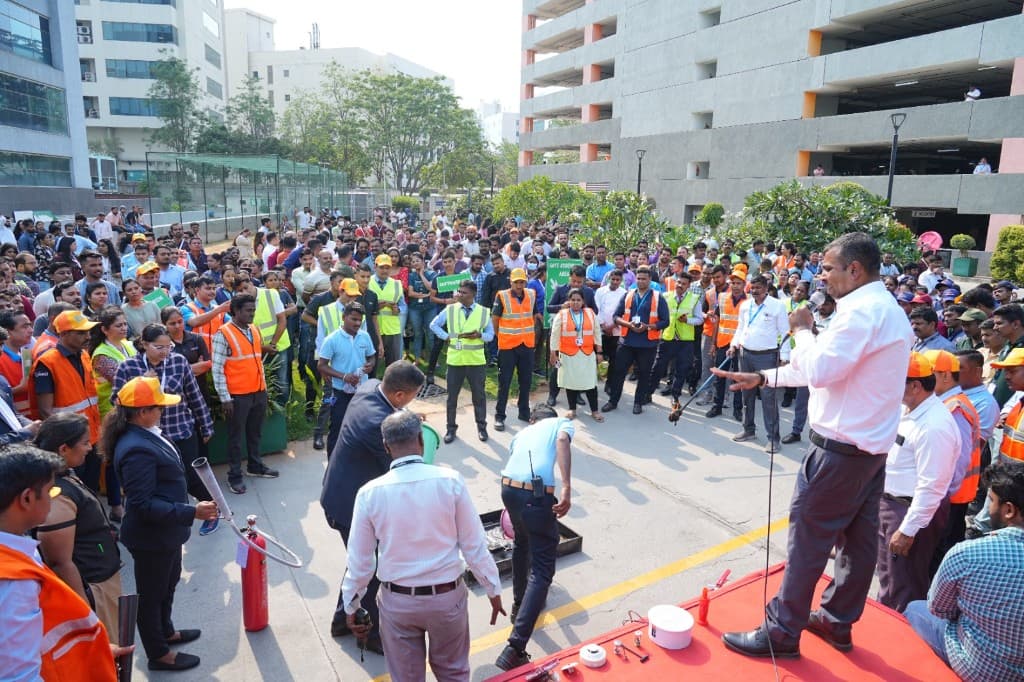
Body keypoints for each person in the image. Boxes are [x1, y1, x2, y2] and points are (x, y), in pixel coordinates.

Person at [712, 232, 913, 658]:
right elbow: (832, 372)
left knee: (808, 543)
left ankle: (782, 633)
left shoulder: (862, 312)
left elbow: (819, 367)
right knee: (857, 546)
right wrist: (765, 378)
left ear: (854, 269)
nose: (821, 276)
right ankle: (838, 621)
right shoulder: (885, 310)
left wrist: (802, 330)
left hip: (838, 455)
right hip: (869, 455)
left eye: (827, 268)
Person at [341, 410, 504, 682]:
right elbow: (474, 546)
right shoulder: (450, 481)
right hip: (446, 599)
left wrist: (351, 604)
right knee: (453, 673)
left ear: (386, 446)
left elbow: (360, 561)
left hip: (398, 602)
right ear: (421, 440)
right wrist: (493, 589)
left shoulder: (369, 493)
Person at [105, 376, 217, 671]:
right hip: (151, 538)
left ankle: (166, 631)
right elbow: (142, 505)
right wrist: (191, 512)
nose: (163, 411)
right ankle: (158, 653)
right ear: (142, 411)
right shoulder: (135, 448)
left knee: (168, 585)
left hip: (167, 534)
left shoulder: (147, 433)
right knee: (151, 596)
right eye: (159, 406)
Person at [320, 361, 425, 647]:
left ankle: (342, 620)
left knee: (360, 562)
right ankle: (373, 635)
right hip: (349, 506)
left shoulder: (369, 388)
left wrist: (407, 417)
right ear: (400, 395)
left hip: (339, 491)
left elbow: (394, 414)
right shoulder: (377, 428)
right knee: (374, 571)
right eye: (413, 396)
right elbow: (401, 468)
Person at [0, 445, 126, 681]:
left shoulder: (17, 547)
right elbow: (19, 676)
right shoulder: (12, 582)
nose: (53, 498)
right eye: (50, 492)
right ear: (27, 498)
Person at [905, 460, 1024, 681]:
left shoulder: (968, 554)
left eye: (991, 501)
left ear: (1009, 510)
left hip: (978, 667)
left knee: (914, 609)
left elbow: (938, 609)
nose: (988, 508)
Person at [875, 353, 959, 612]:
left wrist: (908, 529)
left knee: (906, 584)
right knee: (889, 576)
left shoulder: (934, 426)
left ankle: (901, 637)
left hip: (909, 512)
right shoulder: (908, 411)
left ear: (915, 386)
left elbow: (932, 486)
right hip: (891, 505)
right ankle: (885, 620)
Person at [114, 324, 217, 534]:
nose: (165, 352)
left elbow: (194, 395)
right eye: (158, 347)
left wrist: (205, 426)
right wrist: (142, 384)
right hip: (149, 437)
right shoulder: (128, 367)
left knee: (191, 477)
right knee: (165, 481)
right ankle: (175, 515)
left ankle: (213, 511)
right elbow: (117, 400)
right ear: (144, 344)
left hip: (180, 430)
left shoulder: (178, 362)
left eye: (168, 347)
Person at [494, 403, 574, 671]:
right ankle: (515, 646)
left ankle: (519, 604)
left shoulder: (521, 434)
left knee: (521, 543)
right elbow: (563, 440)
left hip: (507, 490)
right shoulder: (560, 424)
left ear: (533, 420)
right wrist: (566, 488)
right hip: (535, 495)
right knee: (542, 569)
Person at [34, 413, 122, 638]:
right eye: (84, 443)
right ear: (63, 449)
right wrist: (85, 613)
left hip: (102, 580)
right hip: (94, 589)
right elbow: (59, 562)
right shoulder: (57, 494)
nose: (89, 448)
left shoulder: (65, 475)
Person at [211, 294, 278, 495]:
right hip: (237, 396)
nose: (252, 313)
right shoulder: (223, 334)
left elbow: (256, 360)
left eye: (253, 310)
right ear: (236, 311)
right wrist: (225, 398)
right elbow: (217, 369)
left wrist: (263, 388)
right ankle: (234, 476)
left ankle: (255, 466)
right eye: (248, 310)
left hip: (258, 391)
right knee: (235, 438)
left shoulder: (253, 330)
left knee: (255, 432)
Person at [730, 274, 790, 450]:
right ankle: (748, 429)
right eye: (752, 288)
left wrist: (785, 357)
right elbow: (741, 328)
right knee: (746, 395)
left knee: (768, 398)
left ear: (766, 288)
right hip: (745, 354)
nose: (754, 291)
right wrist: (734, 344)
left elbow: (785, 332)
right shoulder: (745, 305)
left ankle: (773, 438)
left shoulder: (777, 306)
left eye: (758, 288)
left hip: (767, 356)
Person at [429, 280, 494, 444]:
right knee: (452, 398)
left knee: (479, 397)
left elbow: (491, 335)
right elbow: (434, 325)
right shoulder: (450, 309)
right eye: (458, 291)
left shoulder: (484, 312)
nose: (459, 294)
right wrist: (446, 337)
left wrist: (479, 336)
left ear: (473, 294)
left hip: (476, 361)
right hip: (455, 361)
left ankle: (482, 427)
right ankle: (451, 429)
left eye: (463, 292)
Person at [317, 302, 376, 456]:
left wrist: (371, 364)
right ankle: (333, 463)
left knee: (362, 427)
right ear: (344, 317)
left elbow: (371, 356)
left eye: (360, 320)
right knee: (337, 427)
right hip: (339, 392)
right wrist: (343, 376)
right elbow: (322, 365)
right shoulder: (332, 339)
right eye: (353, 319)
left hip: (362, 392)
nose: (357, 323)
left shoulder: (365, 336)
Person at [493, 268, 542, 430]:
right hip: (507, 345)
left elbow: (534, 315)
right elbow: (495, 318)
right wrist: (499, 336)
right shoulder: (502, 296)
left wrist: (530, 333)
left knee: (526, 381)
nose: (519, 285)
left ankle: (524, 412)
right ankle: (500, 416)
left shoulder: (531, 294)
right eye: (516, 282)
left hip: (526, 345)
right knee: (504, 382)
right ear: (511, 282)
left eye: (522, 282)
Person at [647, 270, 702, 408]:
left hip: (685, 341)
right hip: (667, 338)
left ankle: (675, 396)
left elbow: (700, 319)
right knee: (658, 367)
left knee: (681, 370)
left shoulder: (695, 299)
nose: (680, 285)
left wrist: (688, 320)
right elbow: (658, 316)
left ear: (688, 286)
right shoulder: (665, 296)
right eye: (678, 282)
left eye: (684, 283)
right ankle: (648, 393)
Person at [550, 288, 604, 421]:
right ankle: (572, 409)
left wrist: (599, 352)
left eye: (578, 300)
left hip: (587, 354)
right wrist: (553, 354)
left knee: (590, 383)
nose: (575, 303)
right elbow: (555, 335)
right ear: (568, 301)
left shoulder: (590, 313)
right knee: (571, 383)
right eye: (572, 300)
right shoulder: (562, 314)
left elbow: (597, 332)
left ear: (583, 301)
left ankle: (595, 411)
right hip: (568, 355)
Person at [368, 254, 405, 372]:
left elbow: (403, 305)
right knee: (372, 363)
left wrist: (398, 309)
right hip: (373, 329)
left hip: (392, 329)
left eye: (387, 268)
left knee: (393, 365)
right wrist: (375, 307)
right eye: (382, 267)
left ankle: (392, 386)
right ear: (375, 267)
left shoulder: (396, 284)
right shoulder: (367, 282)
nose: (384, 270)